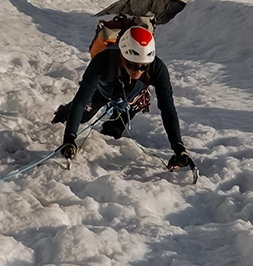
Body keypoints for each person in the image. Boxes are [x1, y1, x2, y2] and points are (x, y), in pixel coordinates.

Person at [55, 23, 193, 170]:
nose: (138, 72)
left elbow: (167, 108)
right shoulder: (102, 61)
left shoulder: (158, 68)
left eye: (144, 66)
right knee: (82, 116)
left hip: (131, 98)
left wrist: (178, 147)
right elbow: (81, 101)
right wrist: (69, 138)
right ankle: (62, 114)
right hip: (102, 92)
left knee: (113, 132)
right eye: (133, 65)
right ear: (122, 56)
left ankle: (110, 128)